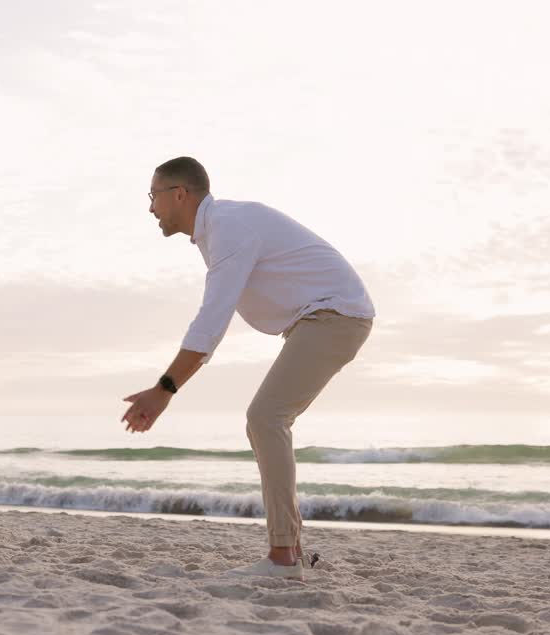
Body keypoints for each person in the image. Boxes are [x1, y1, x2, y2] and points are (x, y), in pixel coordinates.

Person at [121, 157, 375, 580]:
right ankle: (290, 548)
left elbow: (211, 320)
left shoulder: (229, 226)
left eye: (153, 196)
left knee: (266, 417)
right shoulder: (219, 230)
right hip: (324, 318)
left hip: (335, 316)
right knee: (265, 421)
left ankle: (282, 559)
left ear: (179, 194)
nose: (151, 208)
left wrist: (164, 389)